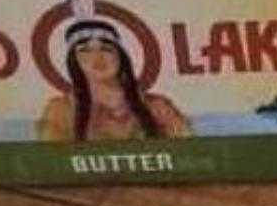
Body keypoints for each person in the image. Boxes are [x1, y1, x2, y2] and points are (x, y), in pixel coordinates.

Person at [38, 20, 190, 142]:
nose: (97, 58)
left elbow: (189, 153)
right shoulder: (61, 110)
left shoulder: (157, 107)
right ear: (74, 61)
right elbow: (54, 163)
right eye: (84, 50)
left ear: (121, 57)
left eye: (106, 49)